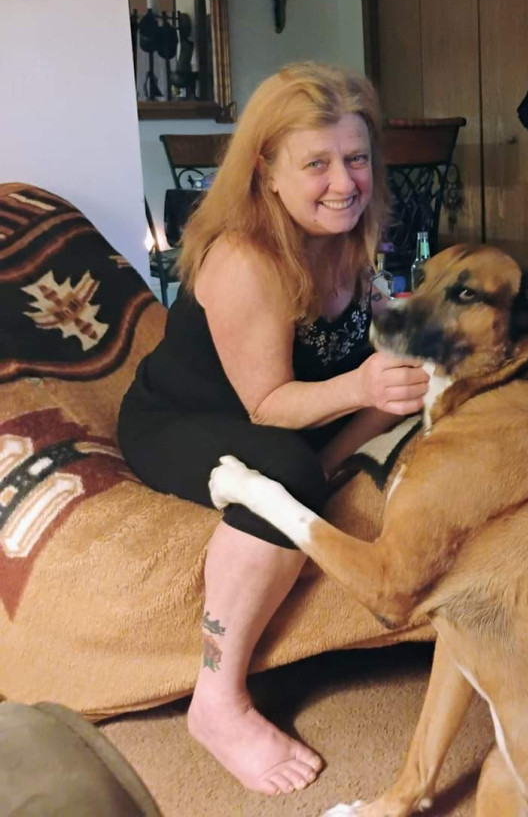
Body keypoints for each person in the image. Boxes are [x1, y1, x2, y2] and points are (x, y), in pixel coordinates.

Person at [118, 63, 429, 796]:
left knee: (419, 382)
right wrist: (361, 388)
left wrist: (400, 353)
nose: (344, 182)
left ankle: (321, 467)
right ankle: (216, 701)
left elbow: (362, 334)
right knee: (283, 470)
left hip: (296, 417)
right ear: (267, 171)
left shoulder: (347, 230)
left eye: (355, 158)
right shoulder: (244, 257)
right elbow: (265, 405)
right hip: (184, 419)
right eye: (316, 164)